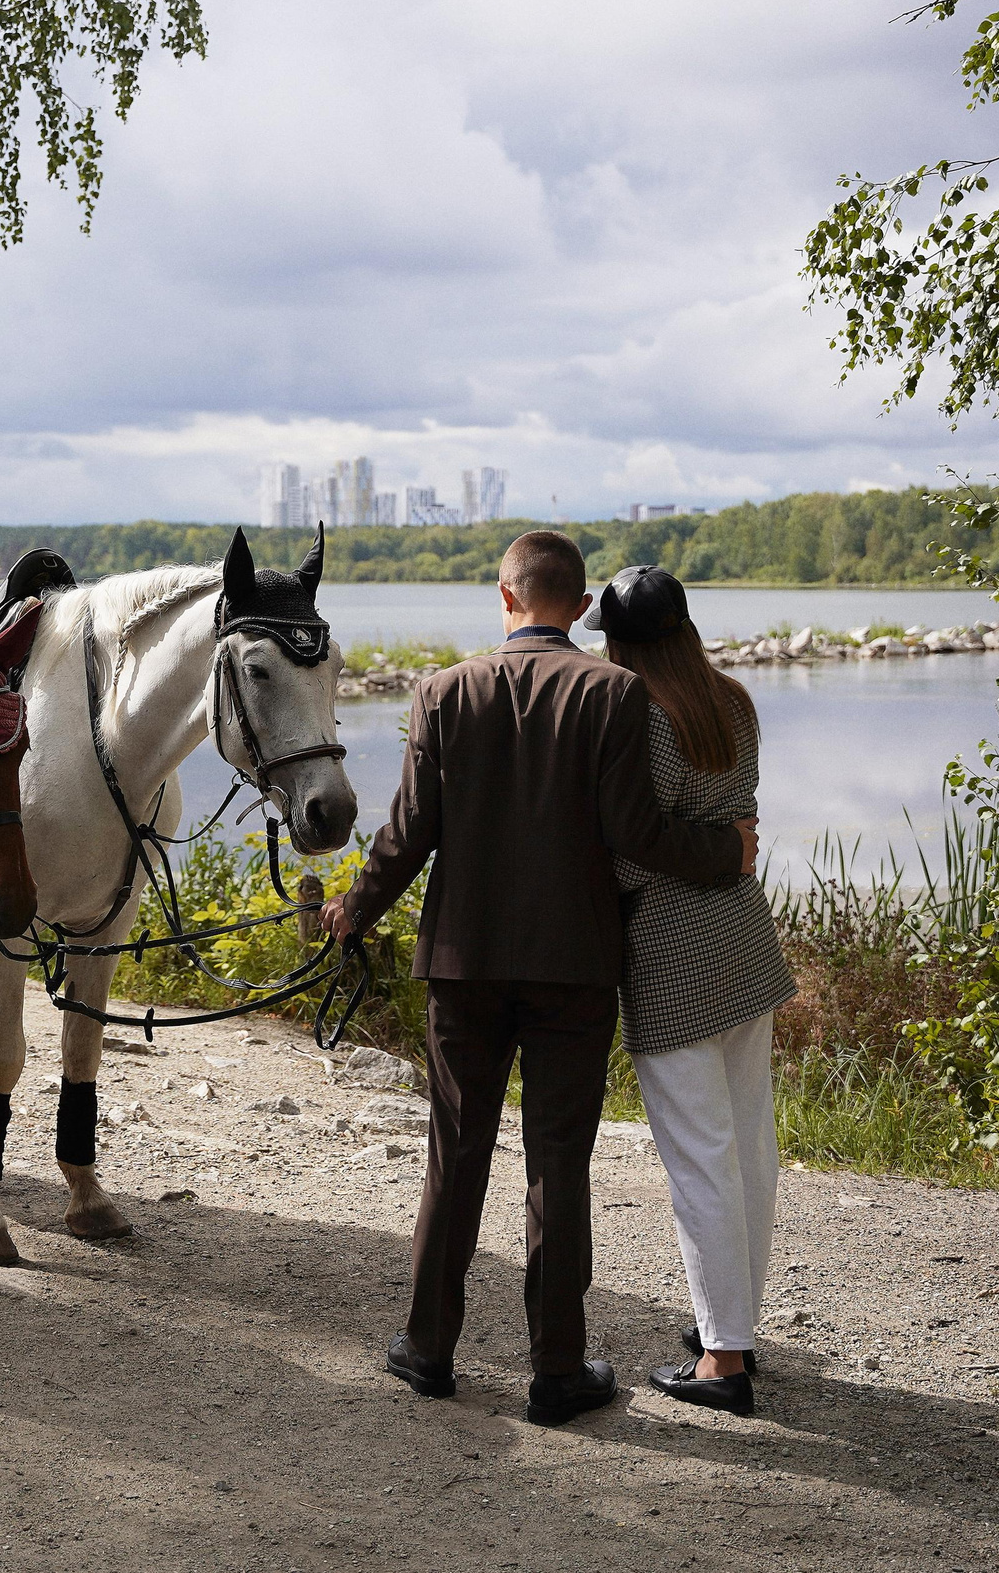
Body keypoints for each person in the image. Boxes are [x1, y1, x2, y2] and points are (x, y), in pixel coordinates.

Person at [319, 531, 756, 1425]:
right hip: (574, 966)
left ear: (503, 594)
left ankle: (428, 1349)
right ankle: (558, 1370)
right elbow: (635, 832)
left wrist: (352, 909)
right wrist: (728, 853)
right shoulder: (614, 692)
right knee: (559, 1163)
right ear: (583, 605)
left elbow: (408, 832)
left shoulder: (442, 691)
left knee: (456, 1150)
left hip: (465, 965)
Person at [586, 564, 795, 1418]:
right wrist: (724, 844)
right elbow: (733, 823)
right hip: (744, 935)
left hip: (673, 953)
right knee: (748, 1144)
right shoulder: (732, 701)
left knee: (700, 1158)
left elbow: (635, 855)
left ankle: (723, 1359)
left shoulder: (643, 716)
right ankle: (733, 1324)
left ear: (621, 641)